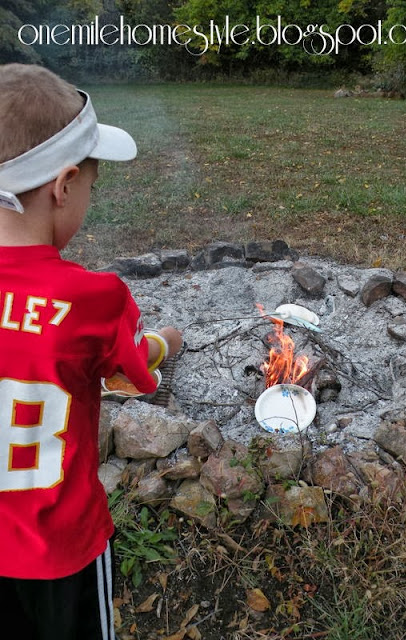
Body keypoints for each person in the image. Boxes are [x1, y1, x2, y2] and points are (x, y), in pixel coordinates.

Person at [0, 63, 182, 640]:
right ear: (63, 186)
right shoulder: (94, 299)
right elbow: (131, 370)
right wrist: (162, 343)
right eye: (90, 190)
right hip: (60, 554)